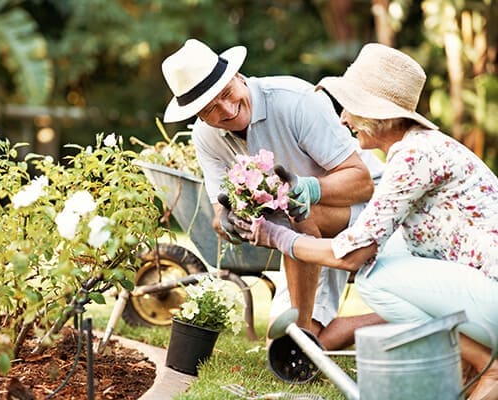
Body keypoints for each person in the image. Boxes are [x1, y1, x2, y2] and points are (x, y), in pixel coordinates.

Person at [230, 43, 498, 400]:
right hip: (484, 289)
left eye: (350, 109)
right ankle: (471, 363)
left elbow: (352, 255)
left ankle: (487, 365)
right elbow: (366, 237)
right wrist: (301, 210)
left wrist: (274, 236)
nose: (343, 119)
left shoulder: (414, 157)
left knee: (373, 276)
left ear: (378, 114)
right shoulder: (417, 150)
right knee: (393, 255)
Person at [160, 38, 386, 350]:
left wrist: (308, 188)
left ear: (237, 76)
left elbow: (363, 182)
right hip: (303, 235)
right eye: (211, 109)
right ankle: (400, 321)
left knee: (296, 212)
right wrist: (229, 221)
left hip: (370, 211)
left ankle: (302, 334)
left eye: (226, 93)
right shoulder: (206, 137)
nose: (226, 109)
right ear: (198, 115)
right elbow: (218, 213)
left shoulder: (295, 101)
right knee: (279, 345)